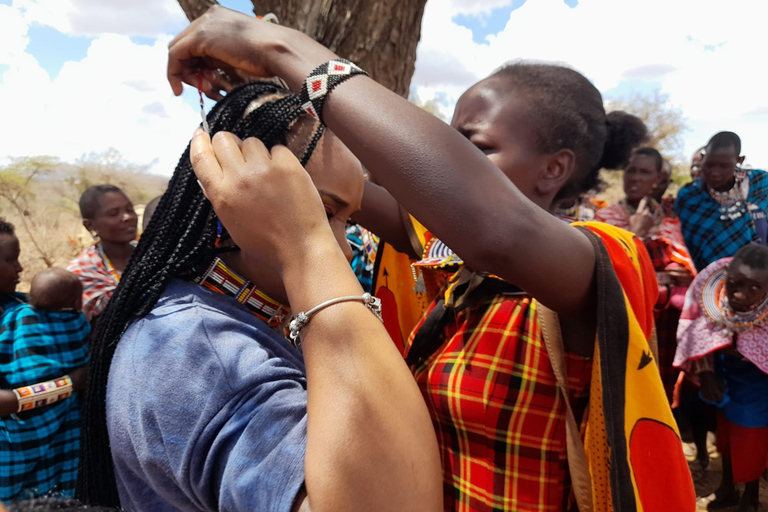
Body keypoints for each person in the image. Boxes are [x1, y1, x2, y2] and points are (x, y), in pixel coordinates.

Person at [164, 7, 697, 511]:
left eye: (475, 147)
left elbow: (498, 229)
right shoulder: (450, 257)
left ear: (555, 169)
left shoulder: (597, 258)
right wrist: (259, 96)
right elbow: (342, 189)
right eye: (450, 143)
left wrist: (279, 45)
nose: (451, 161)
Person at [76, 81, 443, 512]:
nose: (343, 248)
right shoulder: (198, 351)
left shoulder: (232, 312)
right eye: (322, 213)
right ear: (230, 204)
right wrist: (305, 247)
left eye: (347, 219)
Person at [596, 148, 696, 401]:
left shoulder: (671, 218)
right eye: (631, 171)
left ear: (658, 179)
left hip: (665, 320)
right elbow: (606, 268)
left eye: (644, 172)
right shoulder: (605, 217)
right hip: (624, 313)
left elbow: (683, 260)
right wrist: (636, 233)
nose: (634, 178)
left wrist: (685, 274)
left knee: (660, 390)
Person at [674, 244, 768, 512]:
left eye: (755, 288)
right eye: (735, 283)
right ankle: (727, 488)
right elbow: (695, 327)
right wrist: (706, 372)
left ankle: (749, 499)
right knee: (725, 435)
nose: (740, 295)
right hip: (723, 375)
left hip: (758, 385)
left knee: (751, 439)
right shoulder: (710, 291)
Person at [0, 227, 90, 501]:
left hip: (59, 445)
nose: (20, 267)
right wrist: (69, 384)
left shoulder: (26, 306)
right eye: (11, 259)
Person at [676, 132, 768, 272]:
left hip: (759, 275)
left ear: (739, 160)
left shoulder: (759, 183)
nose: (715, 173)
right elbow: (684, 245)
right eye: (709, 165)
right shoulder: (690, 196)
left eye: (724, 166)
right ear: (702, 159)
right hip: (707, 280)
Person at [67, 185, 138, 322]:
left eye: (130, 209)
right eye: (113, 214)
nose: (128, 217)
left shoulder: (154, 257)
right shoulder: (81, 273)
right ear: (90, 226)